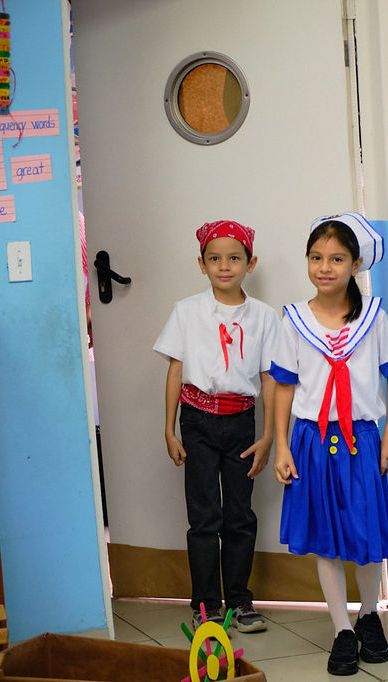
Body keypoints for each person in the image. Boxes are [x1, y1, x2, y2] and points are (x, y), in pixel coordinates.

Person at [271, 213, 388, 676]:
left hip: (361, 440)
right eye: (316, 257)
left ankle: (368, 615)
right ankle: (341, 629)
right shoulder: (294, 321)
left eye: (336, 259)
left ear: (355, 265)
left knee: (366, 535)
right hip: (312, 441)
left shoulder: (374, 318)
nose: (324, 267)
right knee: (326, 540)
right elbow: (283, 387)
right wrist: (282, 446)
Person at [154, 220, 279, 633]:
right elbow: (175, 371)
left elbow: (269, 379)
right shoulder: (186, 311)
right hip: (197, 421)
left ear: (250, 263)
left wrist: (268, 436)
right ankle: (206, 605)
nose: (224, 266)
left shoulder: (264, 317)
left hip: (242, 423)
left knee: (240, 515)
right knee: (204, 517)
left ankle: (240, 601)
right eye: (214, 259)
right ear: (202, 264)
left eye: (234, 258)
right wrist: (169, 429)